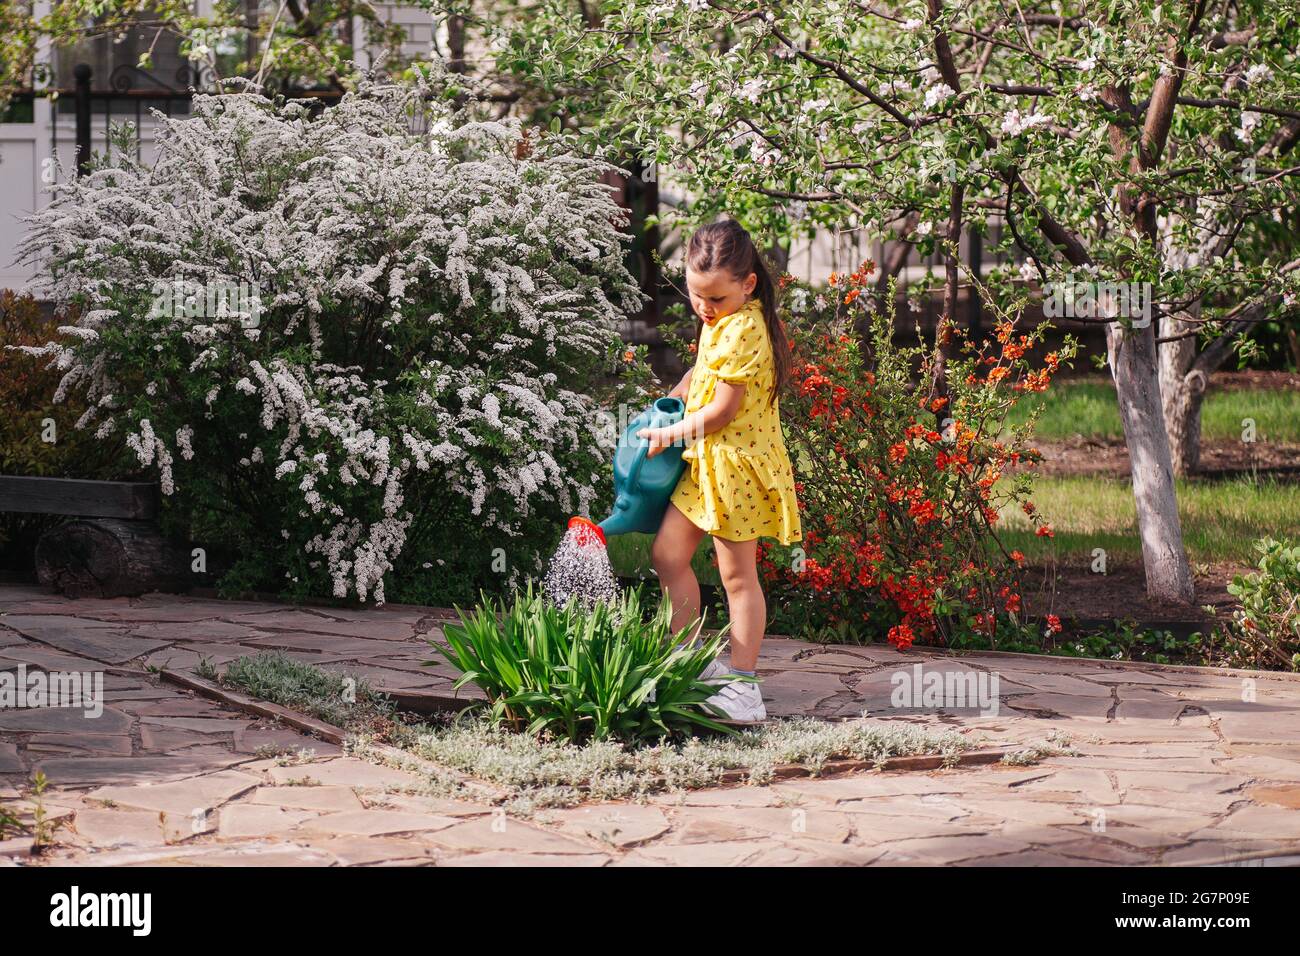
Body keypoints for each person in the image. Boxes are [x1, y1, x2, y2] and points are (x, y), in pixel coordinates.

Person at [636, 218, 802, 722]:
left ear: (748, 285)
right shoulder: (721, 321)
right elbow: (703, 371)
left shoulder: (748, 327)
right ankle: (691, 662)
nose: (704, 309)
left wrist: (672, 432)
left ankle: (743, 686)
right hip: (708, 463)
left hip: (737, 469)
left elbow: (725, 410)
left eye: (716, 299)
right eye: (695, 295)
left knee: (737, 577)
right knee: (667, 555)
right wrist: (677, 395)